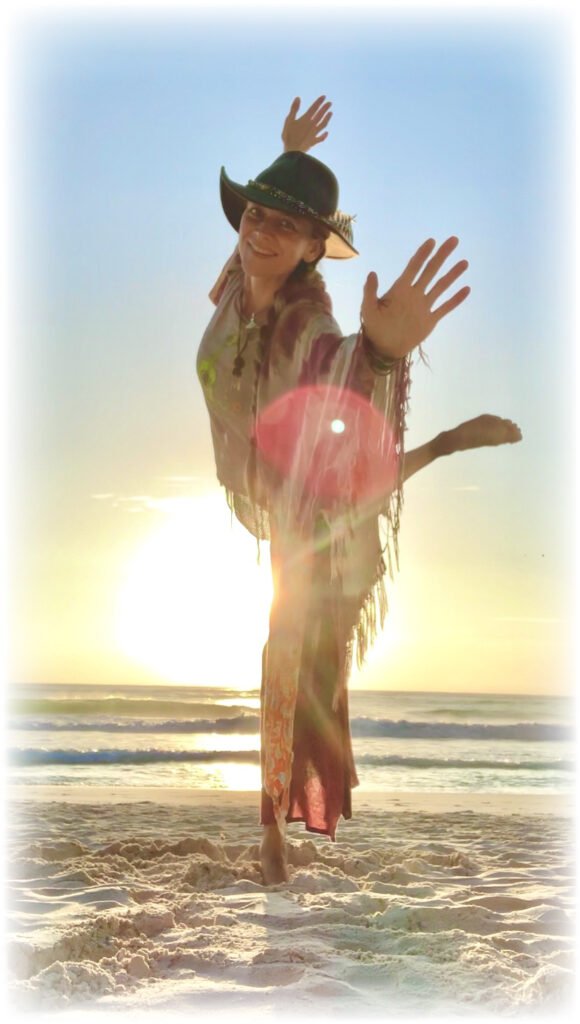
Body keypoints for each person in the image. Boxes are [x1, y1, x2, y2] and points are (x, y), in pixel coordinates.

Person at [198, 97, 521, 885]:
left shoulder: (308, 326)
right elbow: (244, 253)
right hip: (277, 487)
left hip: (309, 503)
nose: (260, 231)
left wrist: (379, 352)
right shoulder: (238, 285)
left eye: (285, 225)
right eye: (255, 213)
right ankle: (446, 443)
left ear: (315, 248)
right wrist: (287, 154)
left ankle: (272, 831)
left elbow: (342, 372)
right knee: (292, 651)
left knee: (289, 657)